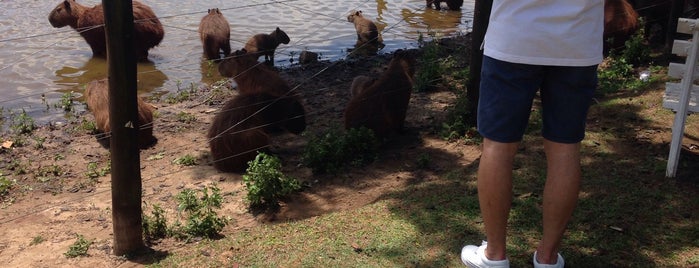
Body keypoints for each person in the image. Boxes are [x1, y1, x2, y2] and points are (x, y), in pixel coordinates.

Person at [460, 1, 604, 268]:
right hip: (578, 41)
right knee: (565, 149)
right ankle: (547, 258)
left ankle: (494, 255)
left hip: (513, 38)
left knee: (497, 148)